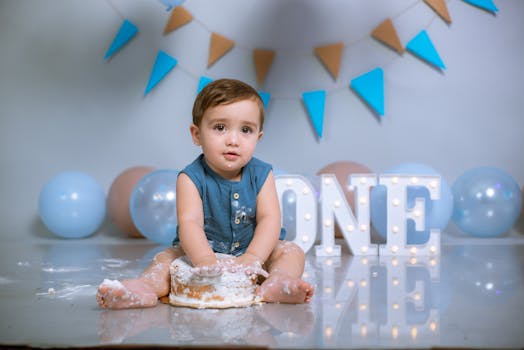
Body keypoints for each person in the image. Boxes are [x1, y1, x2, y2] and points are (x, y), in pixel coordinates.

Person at [97, 78, 314, 309]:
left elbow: (269, 219)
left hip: (254, 247)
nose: (233, 140)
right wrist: (204, 260)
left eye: (246, 130)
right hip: (203, 248)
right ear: (196, 134)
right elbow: (190, 223)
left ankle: (280, 282)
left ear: (258, 137)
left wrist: (254, 257)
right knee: (165, 260)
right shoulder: (190, 178)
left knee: (291, 252)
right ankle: (143, 288)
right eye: (220, 128)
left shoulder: (262, 174)